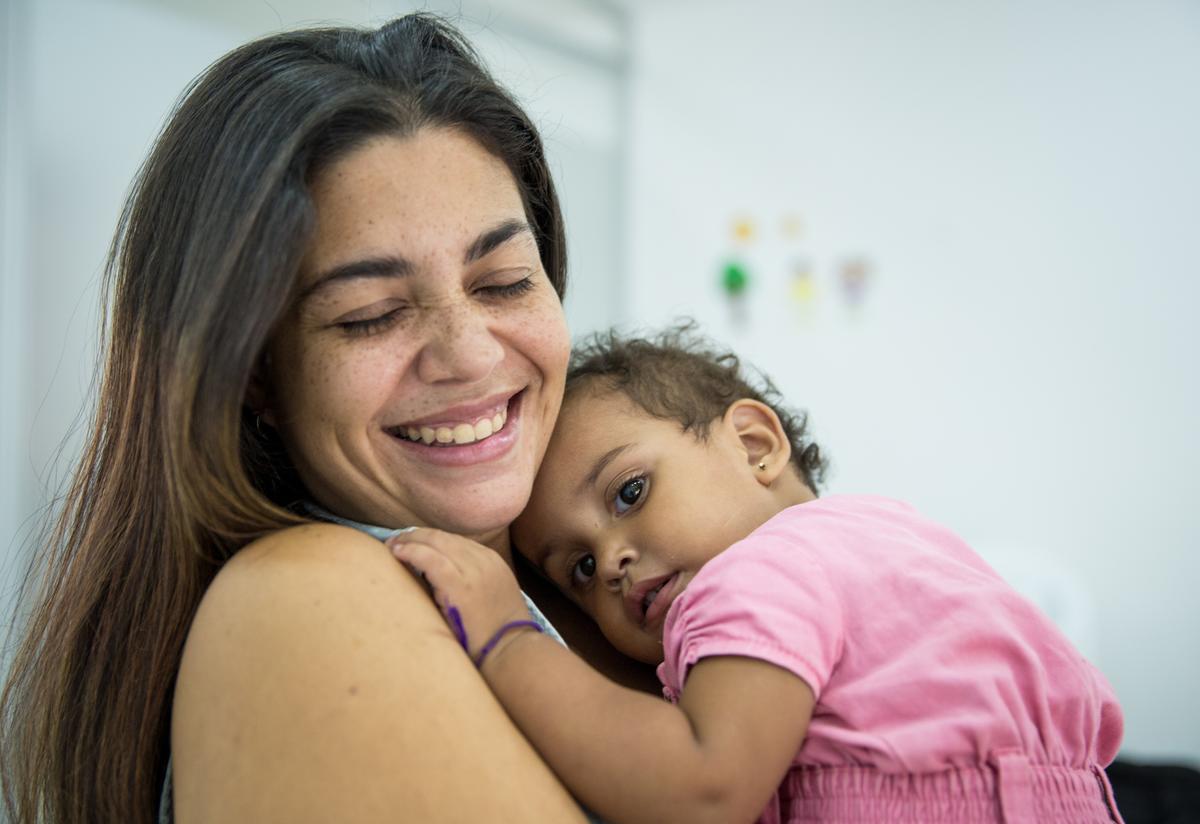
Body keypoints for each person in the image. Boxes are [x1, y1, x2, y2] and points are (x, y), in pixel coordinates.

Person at [0, 15, 653, 824]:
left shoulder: (594, 585)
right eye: (370, 314)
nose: (470, 355)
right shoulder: (303, 605)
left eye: (505, 281)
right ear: (254, 377)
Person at [391, 323, 1127, 824]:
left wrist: (505, 633)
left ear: (752, 443)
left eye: (629, 492)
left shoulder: (756, 573)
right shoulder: (886, 534)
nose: (610, 561)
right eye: (578, 567)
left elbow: (704, 788)